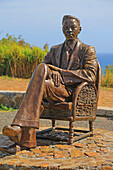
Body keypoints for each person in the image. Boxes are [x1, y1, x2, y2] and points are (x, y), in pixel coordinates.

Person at [2, 15, 98, 153]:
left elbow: (90, 75)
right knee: (42, 69)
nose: (69, 30)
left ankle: (18, 127)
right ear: (62, 29)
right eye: (66, 28)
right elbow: (43, 69)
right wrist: (51, 71)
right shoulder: (54, 50)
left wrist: (61, 73)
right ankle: (27, 140)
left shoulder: (87, 50)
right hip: (53, 88)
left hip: (71, 92)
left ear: (80, 29)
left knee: (41, 77)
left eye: (73, 27)